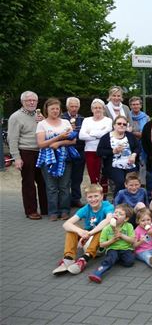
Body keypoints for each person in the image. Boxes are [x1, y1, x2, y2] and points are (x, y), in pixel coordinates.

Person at [52, 184, 114, 276]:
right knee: (72, 228)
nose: (93, 199)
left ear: (102, 196)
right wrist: (80, 232)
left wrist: (89, 233)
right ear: (86, 198)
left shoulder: (107, 206)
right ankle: (68, 258)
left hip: (101, 243)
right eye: (90, 197)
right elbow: (66, 224)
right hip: (87, 238)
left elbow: (108, 220)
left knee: (103, 228)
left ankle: (84, 259)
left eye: (96, 196)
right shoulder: (85, 209)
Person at [7, 91, 47, 220]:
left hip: (41, 151)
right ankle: (31, 210)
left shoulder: (39, 115)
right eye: (28, 100)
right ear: (22, 102)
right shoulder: (16, 117)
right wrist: (17, 158)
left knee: (44, 181)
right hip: (26, 152)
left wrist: (44, 121)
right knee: (29, 183)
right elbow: (12, 139)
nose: (31, 103)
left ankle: (46, 208)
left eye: (34, 100)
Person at [36, 97, 77, 221]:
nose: (54, 111)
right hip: (48, 158)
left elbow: (73, 140)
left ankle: (65, 211)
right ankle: (53, 211)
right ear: (47, 109)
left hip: (65, 158)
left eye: (57, 108)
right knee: (51, 187)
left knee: (64, 186)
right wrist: (59, 137)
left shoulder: (65, 122)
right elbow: (41, 144)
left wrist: (59, 143)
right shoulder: (41, 124)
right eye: (52, 108)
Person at [87, 204, 136, 283]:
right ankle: (98, 272)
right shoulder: (107, 228)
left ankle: (116, 259)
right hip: (112, 248)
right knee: (111, 258)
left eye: (120, 214)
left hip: (126, 248)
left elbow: (133, 240)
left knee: (129, 262)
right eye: (115, 212)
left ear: (126, 218)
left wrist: (122, 235)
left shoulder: (129, 226)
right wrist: (112, 241)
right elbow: (101, 244)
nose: (116, 214)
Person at [97, 115, 140, 197]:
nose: (122, 125)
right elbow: (99, 152)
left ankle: (131, 201)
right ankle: (117, 202)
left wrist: (134, 155)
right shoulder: (106, 137)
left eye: (124, 124)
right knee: (121, 182)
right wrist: (113, 151)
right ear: (114, 125)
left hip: (130, 164)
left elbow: (138, 147)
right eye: (119, 123)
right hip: (114, 165)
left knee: (132, 183)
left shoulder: (130, 136)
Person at [80, 99, 113, 195]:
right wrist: (98, 134)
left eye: (99, 107)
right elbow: (81, 136)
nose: (97, 109)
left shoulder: (108, 120)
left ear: (103, 109)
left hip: (104, 151)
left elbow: (106, 135)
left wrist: (90, 132)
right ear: (92, 109)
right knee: (93, 176)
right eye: (95, 108)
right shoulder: (86, 120)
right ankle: (95, 196)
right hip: (90, 151)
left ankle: (104, 198)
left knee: (104, 176)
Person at [62, 97, 85, 207]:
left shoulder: (83, 119)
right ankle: (65, 200)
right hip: (65, 151)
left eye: (76, 106)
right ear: (67, 107)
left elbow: (85, 135)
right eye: (72, 106)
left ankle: (76, 198)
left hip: (79, 151)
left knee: (77, 177)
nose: (74, 108)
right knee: (65, 177)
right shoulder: (61, 118)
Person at [129, 96, 150, 186]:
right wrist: (138, 133)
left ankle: (141, 183)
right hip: (130, 144)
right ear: (130, 106)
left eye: (137, 104)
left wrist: (132, 132)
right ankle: (131, 183)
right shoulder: (127, 116)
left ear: (140, 105)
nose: (135, 106)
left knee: (142, 164)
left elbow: (146, 133)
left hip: (142, 144)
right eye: (133, 104)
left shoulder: (146, 117)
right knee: (131, 164)